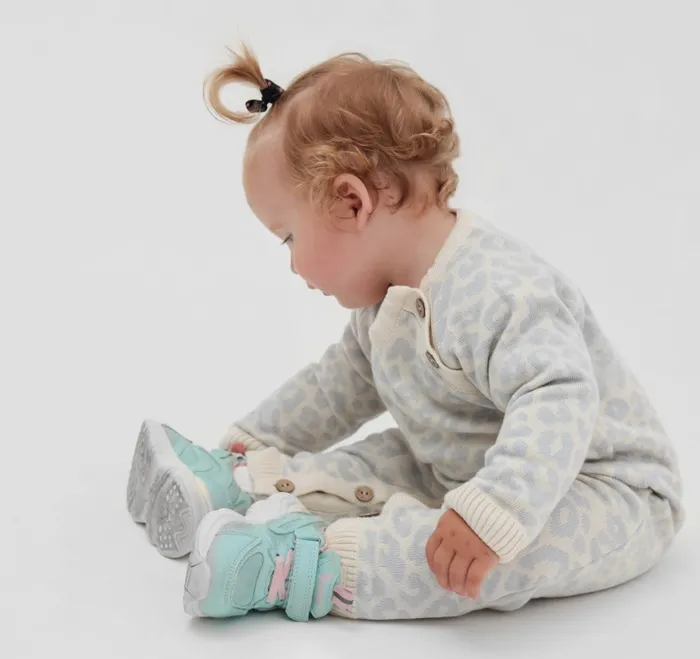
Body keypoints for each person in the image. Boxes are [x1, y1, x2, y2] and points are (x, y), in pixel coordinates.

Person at [127, 44, 684, 622]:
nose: (292, 264)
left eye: (289, 238)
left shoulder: (498, 289)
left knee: (480, 559)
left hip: (603, 489)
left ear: (352, 202)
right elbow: (334, 388)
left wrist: (496, 506)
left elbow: (559, 395)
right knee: (373, 465)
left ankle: (301, 568)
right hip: (460, 461)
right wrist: (255, 437)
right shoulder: (384, 304)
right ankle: (242, 483)